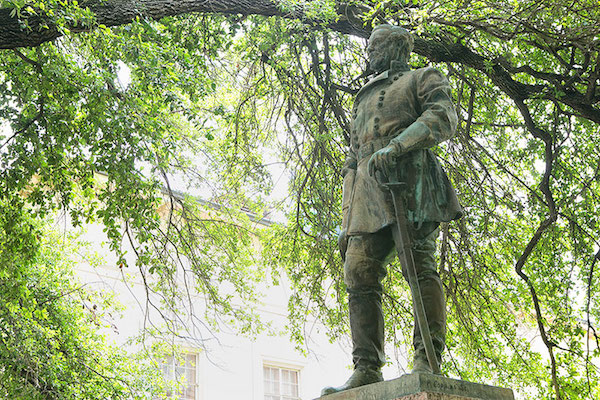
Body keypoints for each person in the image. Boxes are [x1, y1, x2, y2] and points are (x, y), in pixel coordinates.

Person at [321, 25, 462, 396]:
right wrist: (346, 218)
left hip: (411, 183)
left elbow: (443, 116)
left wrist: (399, 145)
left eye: (375, 45)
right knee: (358, 272)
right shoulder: (362, 97)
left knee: (417, 266)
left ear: (395, 47)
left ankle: (427, 357)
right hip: (366, 194)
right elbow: (352, 160)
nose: (369, 52)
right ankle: (366, 366)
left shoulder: (422, 77)